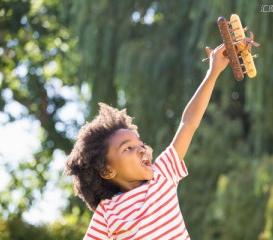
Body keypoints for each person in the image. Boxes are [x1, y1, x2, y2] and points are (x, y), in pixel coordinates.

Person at [64, 44, 229, 239]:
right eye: (128, 148)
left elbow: (188, 123)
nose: (142, 149)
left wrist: (213, 72)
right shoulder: (107, 213)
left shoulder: (162, 175)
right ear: (107, 170)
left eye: (140, 144)